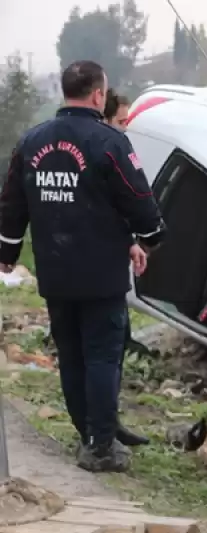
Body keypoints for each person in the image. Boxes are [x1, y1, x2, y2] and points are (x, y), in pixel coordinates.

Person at [0, 60, 166, 472]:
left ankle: (88, 434)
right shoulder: (110, 142)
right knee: (102, 357)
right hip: (101, 275)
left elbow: (10, 204)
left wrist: (7, 252)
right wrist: (149, 238)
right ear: (97, 95)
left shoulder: (31, 142)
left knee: (71, 357)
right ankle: (100, 445)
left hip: (55, 273)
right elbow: (139, 200)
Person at [99, 86, 150, 449]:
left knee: (116, 348)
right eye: (121, 121)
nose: (125, 130)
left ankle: (107, 422)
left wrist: (132, 240)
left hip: (110, 266)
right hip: (96, 276)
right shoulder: (102, 157)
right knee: (102, 353)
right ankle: (99, 431)